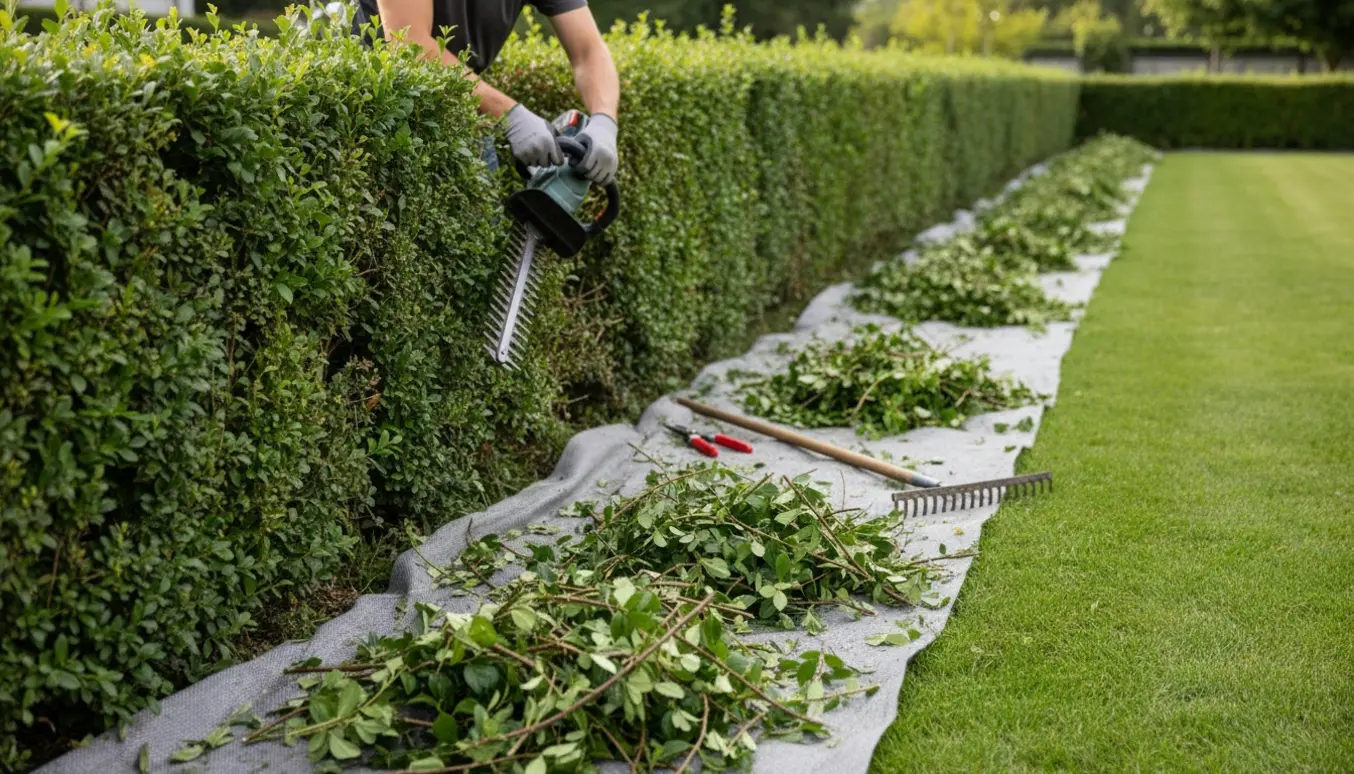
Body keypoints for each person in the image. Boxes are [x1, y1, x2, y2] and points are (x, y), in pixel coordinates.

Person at [351, 0, 620, 184]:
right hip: (379, 118)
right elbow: (410, 44)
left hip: (464, 115)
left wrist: (605, 120)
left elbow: (589, 52)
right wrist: (510, 114)